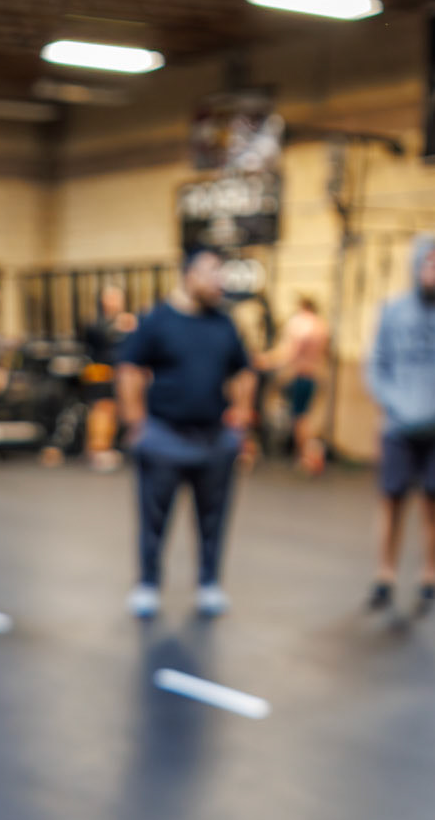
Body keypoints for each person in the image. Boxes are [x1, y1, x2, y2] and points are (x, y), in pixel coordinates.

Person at [115, 248, 257, 619]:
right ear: (189, 276)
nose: (219, 281)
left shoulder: (224, 324)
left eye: (221, 273)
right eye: (212, 273)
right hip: (164, 436)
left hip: (214, 439)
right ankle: (148, 584)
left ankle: (209, 584)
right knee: (153, 520)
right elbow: (129, 369)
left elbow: (244, 370)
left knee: (213, 519)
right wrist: (136, 423)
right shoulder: (157, 320)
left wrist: (241, 418)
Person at [363, 235, 435, 612]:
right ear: (415, 266)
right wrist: (394, 405)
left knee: (434, 503)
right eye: (428, 262)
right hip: (397, 427)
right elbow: (375, 365)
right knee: (392, 501)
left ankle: (430, 577)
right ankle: (385, 575)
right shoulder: (392, 311)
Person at [268, 295, 329, 474]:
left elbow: (290, 352)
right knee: (304, 417)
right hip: (313, 375)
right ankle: (308, 455)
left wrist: (267, 361)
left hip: (301, 376)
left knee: (299, 419)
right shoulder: (320, 325)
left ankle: (306, 457)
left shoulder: (301, 324)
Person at [82, 283, 137, 470]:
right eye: (110, 297)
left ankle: (120, 446)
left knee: (122, 410)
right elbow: (95, 340)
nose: (114, 301)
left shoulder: (129, 321)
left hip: (123, 372)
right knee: (103, 409)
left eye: (117, 297)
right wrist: (118, 327)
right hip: (101, 372)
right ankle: (98, 449)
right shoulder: (96, 324)